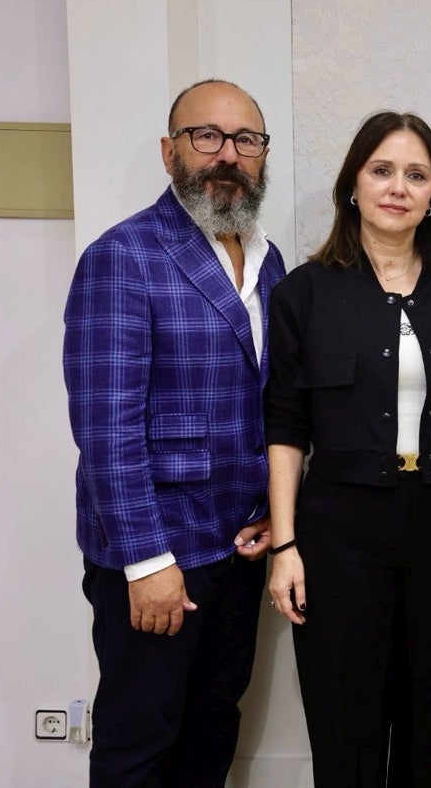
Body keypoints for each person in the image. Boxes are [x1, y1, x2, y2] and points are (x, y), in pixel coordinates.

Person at [264, 111, 431, 786]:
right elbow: (284, 427)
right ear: (352, 186)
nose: (398, 186)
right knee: (346, 731)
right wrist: (284, 547)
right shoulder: (303, 294)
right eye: (382, 170)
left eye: (416, 175)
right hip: (338, 533)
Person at [64, 78, 285, 786]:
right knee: (139, 744)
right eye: (207, 136)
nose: (227, 154)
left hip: (238, 551)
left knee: (211, 731)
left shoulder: (270, 261)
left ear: (262, 156)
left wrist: (273, 516)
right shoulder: (122, 256)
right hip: (159, 561)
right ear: (171, 151)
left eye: (245, 140)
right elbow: (106, 429)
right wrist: (145, 562)